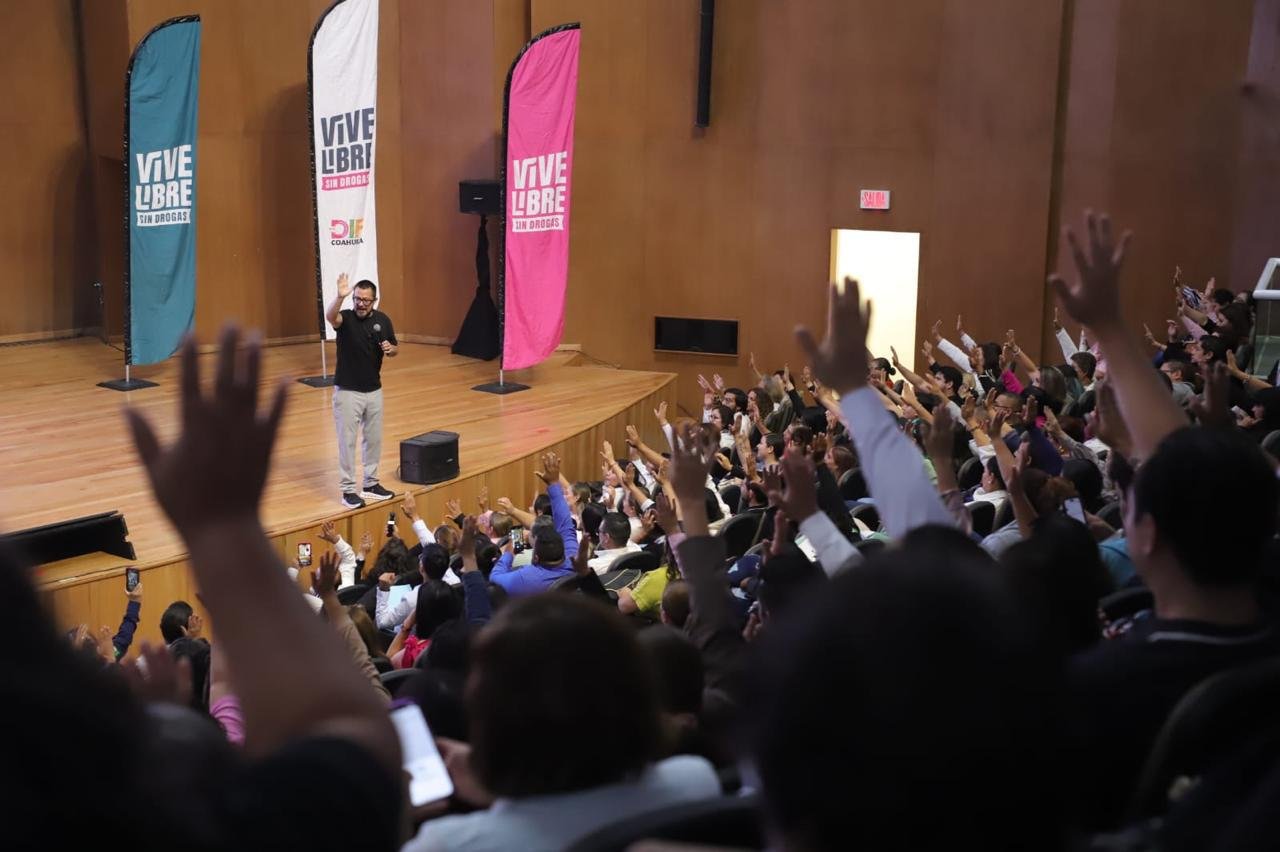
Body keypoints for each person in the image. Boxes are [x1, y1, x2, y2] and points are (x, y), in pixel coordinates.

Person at [326, 272, 399, 508]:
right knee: (347, 442)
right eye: (357, 298)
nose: (361, 303)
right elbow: (331, 317)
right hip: (348, 392)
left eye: (366, 300)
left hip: (374, 391)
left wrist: (391, 349)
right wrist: (340, 296)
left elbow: (394, 347)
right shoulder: (345, 318)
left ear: (374, 301)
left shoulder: (383, 320)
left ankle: (370, 484)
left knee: (373, 440)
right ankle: (348, 490)